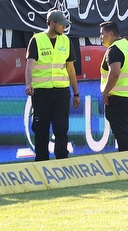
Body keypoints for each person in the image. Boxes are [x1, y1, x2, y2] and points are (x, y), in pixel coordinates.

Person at [25, 9, 80, 161]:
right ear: (52, 23)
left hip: (61, 92)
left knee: (61, 128)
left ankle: (62, 159)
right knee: (41, 130)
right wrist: (28, 84)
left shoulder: (66, 41)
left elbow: (71, 68)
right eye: (61, 24)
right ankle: (41, 162)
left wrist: (76, 93)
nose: (64, 27)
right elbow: (29, 65)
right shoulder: (37, 39)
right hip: (41, 93)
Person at [99, 21, 128, 151]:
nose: (101, 37)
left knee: (122, 133)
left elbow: (114, 74)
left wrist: (105, 92)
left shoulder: (114, 50)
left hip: (119, 99)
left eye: (102, 34)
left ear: (110, 33)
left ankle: (127, 165)